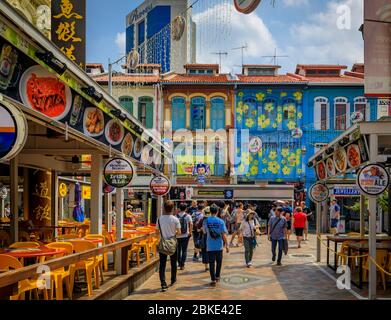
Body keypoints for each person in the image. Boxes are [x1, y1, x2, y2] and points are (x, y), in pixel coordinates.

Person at [157, 200, 181, 292]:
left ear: (164, 208)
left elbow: (156, 231)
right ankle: (173, 279)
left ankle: (163, 284)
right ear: (172, 209)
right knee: (173, 263)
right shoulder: (175, 219)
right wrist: (172, 233)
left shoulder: (159, 219)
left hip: (162, 243)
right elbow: (179, 232)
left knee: (162, 264)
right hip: (173, 243)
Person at [203, 204, 229, 287]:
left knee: (211, 263)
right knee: (219, 262)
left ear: (210, 211)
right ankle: (217, 276)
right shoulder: (221, 221)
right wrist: (227, 245)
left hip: (210, 245)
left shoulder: (206, 221)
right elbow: (224, 234)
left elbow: (204, 232)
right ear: (217, 211)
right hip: (219, 245)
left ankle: (213, 279)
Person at [176, 203, 193, 270]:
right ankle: (182, 265)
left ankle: (179, 263)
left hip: (177, 235)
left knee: (178, 250)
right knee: (184, 250)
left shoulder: (176, 216)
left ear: (179, 208)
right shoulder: (188, 216)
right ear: (186, 209)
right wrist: (190, 232)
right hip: (185, 235)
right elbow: (191, 224)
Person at [196, 206, 210, 272]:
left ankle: (206, 267)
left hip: (204, 237)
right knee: (211, 251)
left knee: (204, 251)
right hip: (211, 238)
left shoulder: (202, 220)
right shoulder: (213, 219)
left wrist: (201, 229)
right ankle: (210, 265)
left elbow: (198, 230)